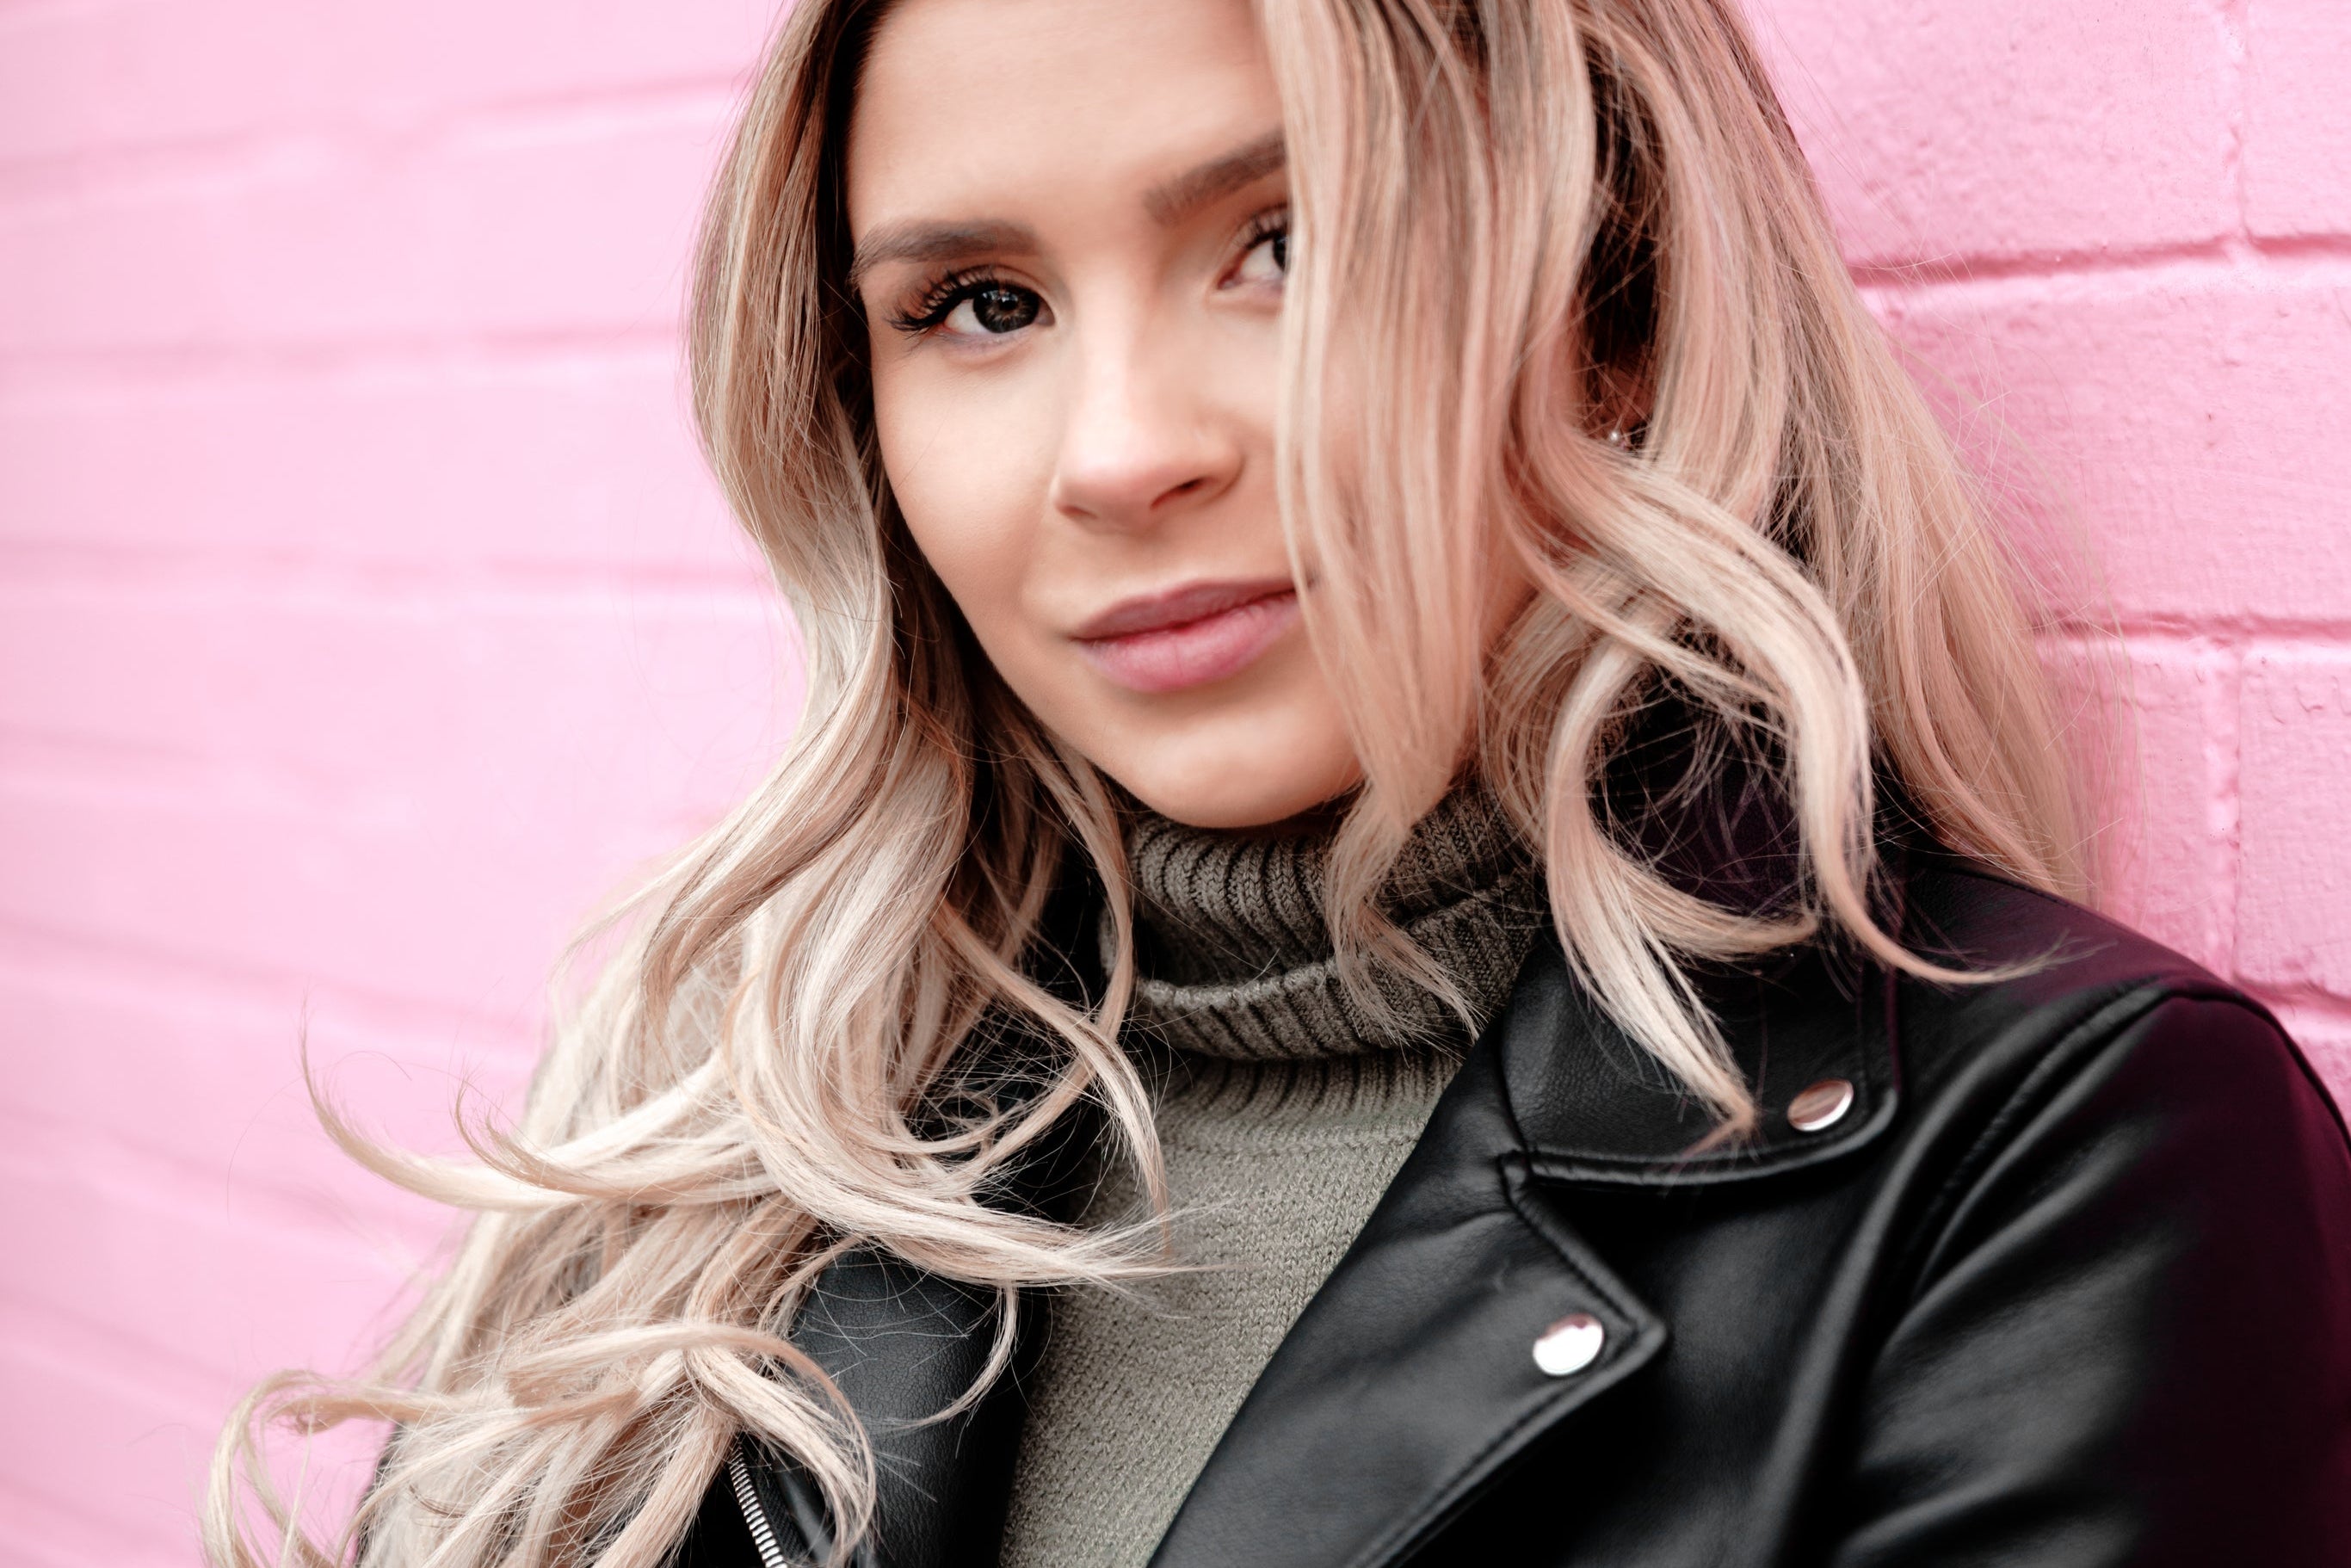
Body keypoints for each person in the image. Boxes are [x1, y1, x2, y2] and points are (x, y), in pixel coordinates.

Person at [210, 0, 2351, 1564]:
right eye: (976, 303)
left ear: (1611, 301)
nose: (1120, 448)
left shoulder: (2064, 1149)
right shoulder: (732, 1106)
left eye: (1282, 243)